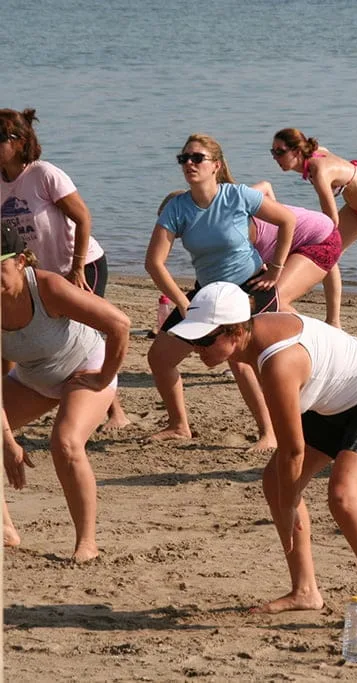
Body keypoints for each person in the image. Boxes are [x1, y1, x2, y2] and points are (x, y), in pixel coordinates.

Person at [169, 281, 357, 630]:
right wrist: (286, 494)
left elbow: (293, 450)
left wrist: (290, 501)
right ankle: (305, 592)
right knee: (275, 482)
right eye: (193, 339)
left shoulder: (278, 363)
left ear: (237, 330)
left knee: (344, 497)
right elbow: (291, 451)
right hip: (332, 405)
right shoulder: (251, 340)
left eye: (205, 340)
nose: (197, 348)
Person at [145, 134, 296, 450]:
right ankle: (179, 425)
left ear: (216, 165)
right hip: (208, 295)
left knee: (238, 359)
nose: (189, 164)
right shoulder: (178, 207)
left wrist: (277, 268)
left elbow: (287, 220)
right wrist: (183, 302)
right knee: (159, 357)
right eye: (184, 159)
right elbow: (154, 263)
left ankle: (269, 433)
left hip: (250, 287)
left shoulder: (237, 196)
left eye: (196, 158)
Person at [1, 224, 130, 562]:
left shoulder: (48, 288)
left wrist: (105, 377)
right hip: (33, 378)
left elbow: (120, 325)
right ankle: (5, 528)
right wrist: (8, 441)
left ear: (20, 261)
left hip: (84, 370)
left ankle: (86, 542)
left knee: (66, 443)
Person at [0, 108, 129, 430]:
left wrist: (77, 270)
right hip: (32, 274)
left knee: (90, 333)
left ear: (19, 141)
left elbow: (83, 218)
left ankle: (114, 410)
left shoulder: (44, 174)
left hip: (81, 263)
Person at [270, 128, 357, 342]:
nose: (275, 157)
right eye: (272, 152)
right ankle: (334, 322)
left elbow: (331, 221)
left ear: (296, 151)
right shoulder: (313, 156)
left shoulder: (320, 172)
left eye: (279, 152)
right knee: (327, 254)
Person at [159, 190, 343, 320]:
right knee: (258, 299)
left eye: (177, 229)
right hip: (291, 241)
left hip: (320, 238)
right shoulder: (210, 227)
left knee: (272, 299)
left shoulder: (230, 228)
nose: (176, 236)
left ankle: (309, 343)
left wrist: (274, 270)